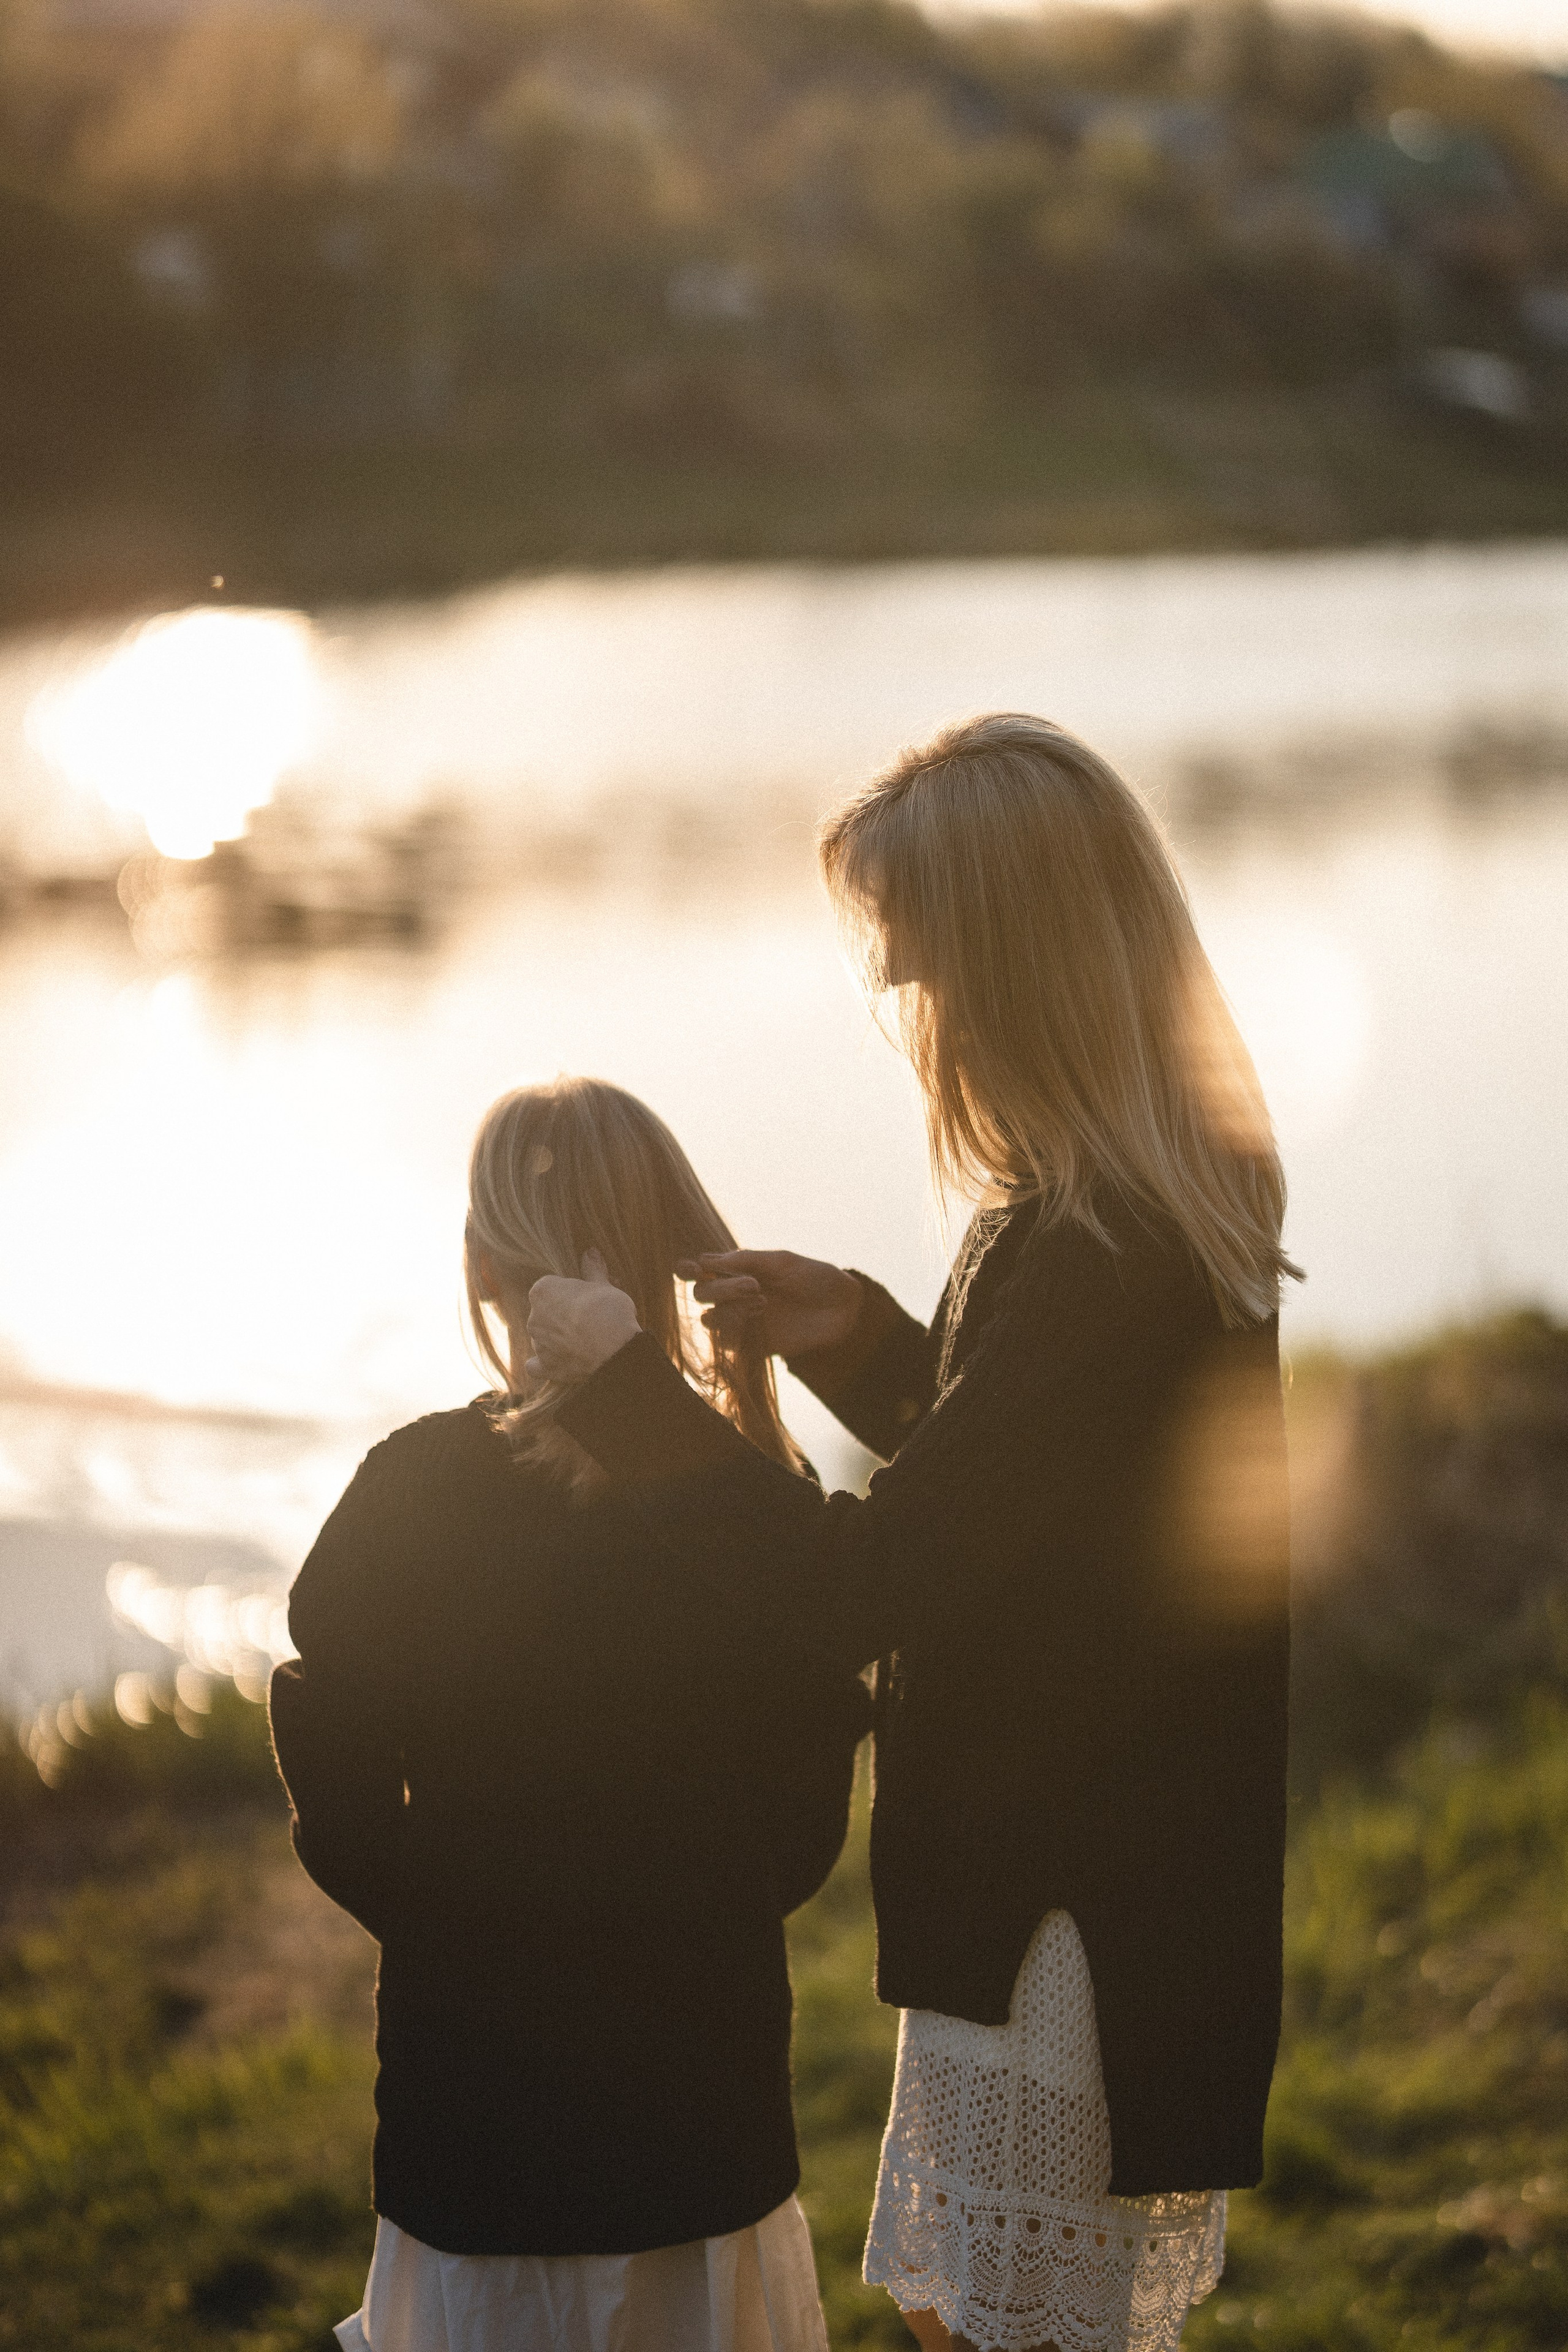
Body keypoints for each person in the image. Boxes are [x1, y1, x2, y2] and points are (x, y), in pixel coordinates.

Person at [524, 714, 1298, 2352]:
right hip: (1077, 1885)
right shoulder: (1105, 1213)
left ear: (1011, 970)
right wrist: (873, 1347)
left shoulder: (1100, 1248)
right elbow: (1042, 1505)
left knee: (1009, 2333)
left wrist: (626, 1400)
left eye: (917, 966)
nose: (908, 1012)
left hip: (1067, 1918)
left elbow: (862, 1586)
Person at [269, 1077, 870, 2352]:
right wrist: (706, 1899)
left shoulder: (414, 1488)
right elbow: (815, 1760)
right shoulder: (749, 1497)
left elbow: (324, 1718)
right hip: (696, 2096)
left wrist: (441, 1909)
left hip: (475, 2101)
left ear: (486, 1263)